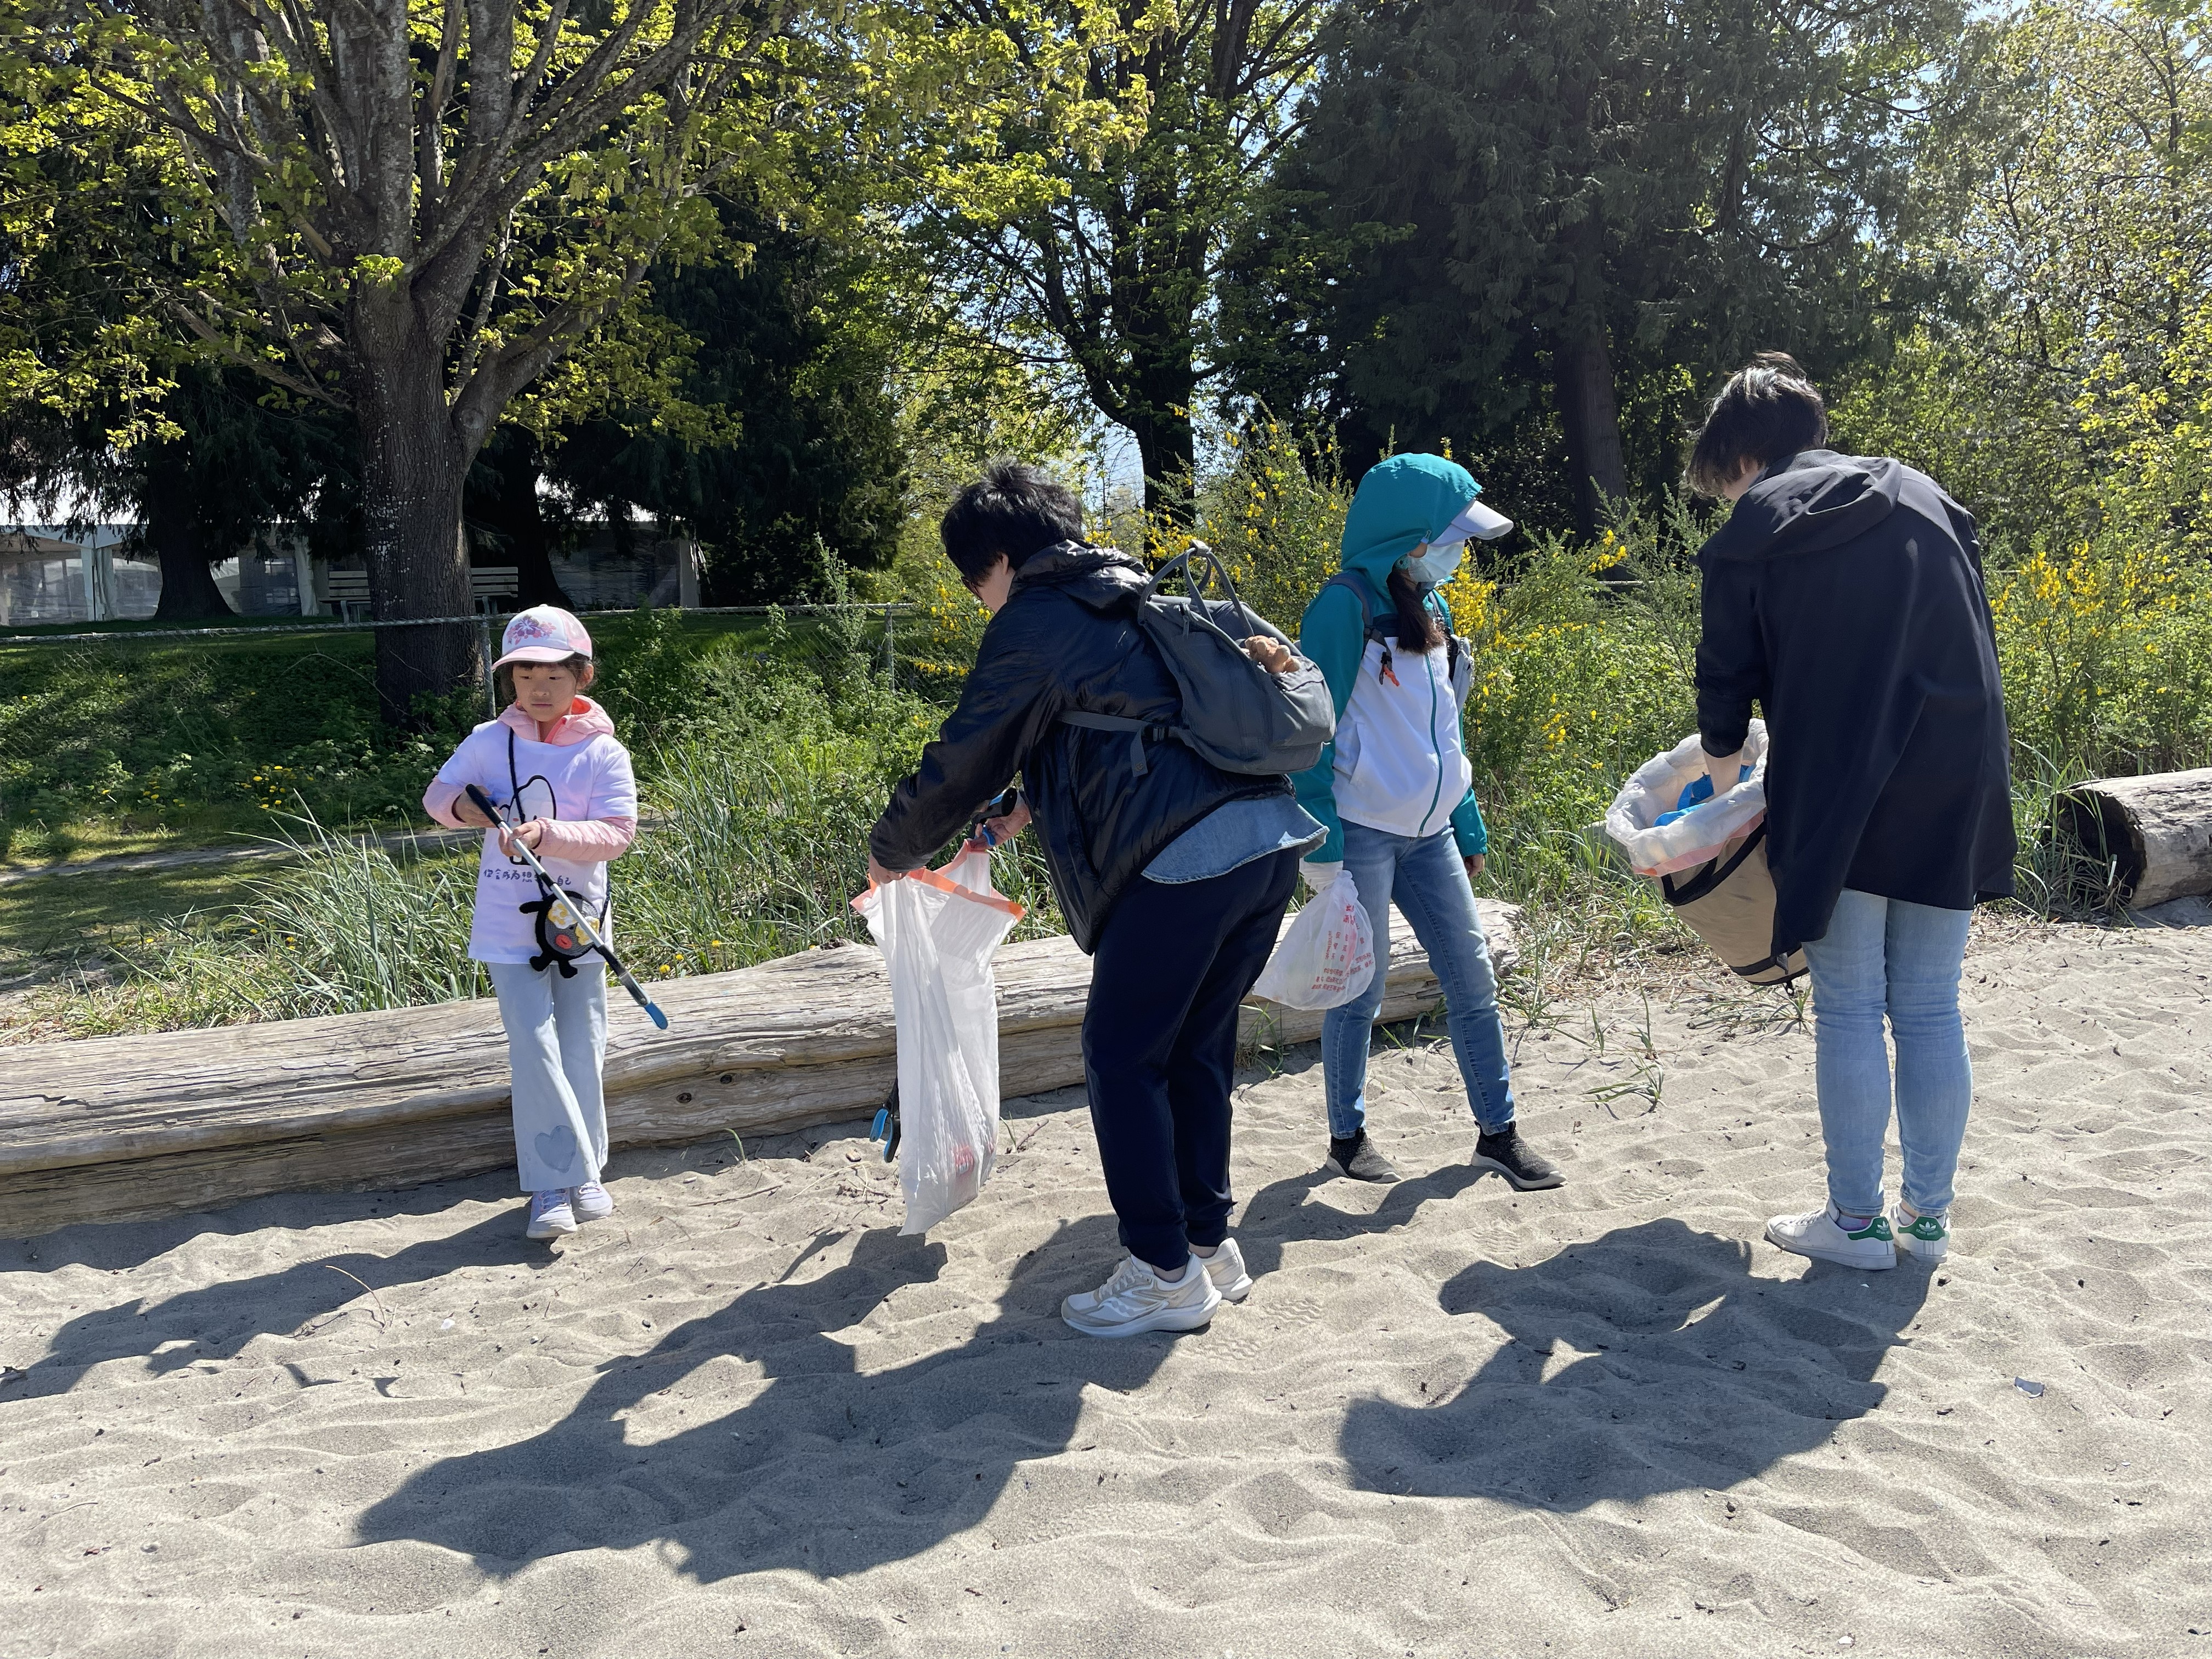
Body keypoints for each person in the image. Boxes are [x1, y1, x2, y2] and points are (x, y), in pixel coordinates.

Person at [867, 460, 1325, 1338]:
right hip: (1266, 847)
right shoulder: (1131, 594)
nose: (978, 601)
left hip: (1183, 864)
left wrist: (891, 852)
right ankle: (1206, 1244)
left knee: (1120, 1057)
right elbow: (1126, 725)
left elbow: (964, 755)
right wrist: (1024, 808)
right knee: (1194, 1049)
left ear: (1001, 558)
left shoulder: (1038, 618)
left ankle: (1161, 1272)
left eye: (974, 581)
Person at [1686, 352, 2015, 1270]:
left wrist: (1722, 796)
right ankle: (1928, 1220)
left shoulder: (1755, 524)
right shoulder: (1923, 492)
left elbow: (1724, 687)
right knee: (1927, 1001)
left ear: (1741, 454)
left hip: (1842, 782)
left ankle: (1856, 1222)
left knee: (1847, 1002)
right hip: (1959, 764)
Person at [1293, 453, 1563, 1190]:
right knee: (1361, 988)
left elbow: (1445, 731)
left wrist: (1467, 826)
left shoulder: (1434, 608)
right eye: (1450, 537)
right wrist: (1326, 843)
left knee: (1472, 978)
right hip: (1363, 836)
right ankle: (1347, 1140)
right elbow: (1311, 731)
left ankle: (1497, 1135)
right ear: (1407, 537)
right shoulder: (1342, 608)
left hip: (1432, 834)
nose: (1460, 550)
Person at [424, 606, 640, 1242]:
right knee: (535, 1047)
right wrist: (466, 808)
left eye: (553, 674)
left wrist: (548, 834)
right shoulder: (489, 740)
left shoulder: (605, 752)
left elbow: (617, 834)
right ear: (510, 681)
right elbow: (438, 800)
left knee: (583, 1045)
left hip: (580, 926)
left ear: (583, 677)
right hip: (505, 925)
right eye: (524, 676)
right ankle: (551, 1183)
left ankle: (587, 1173)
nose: (538, 689)